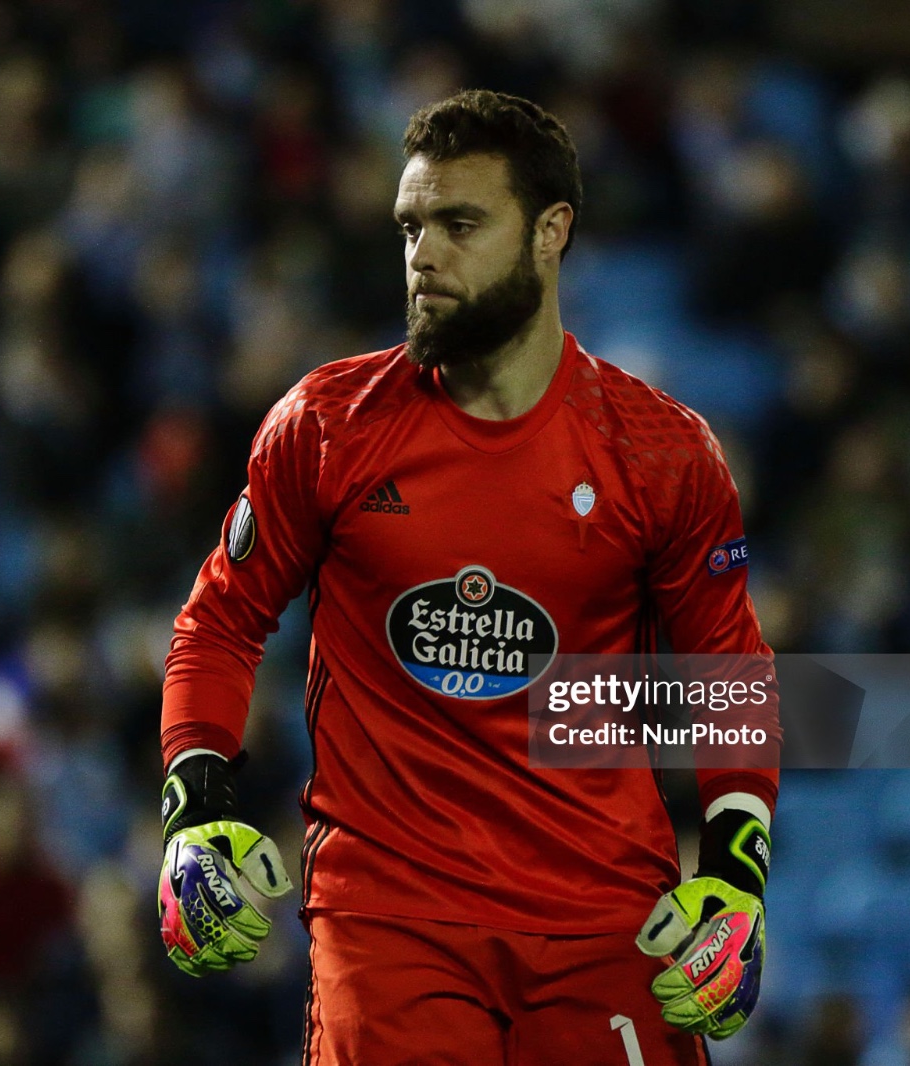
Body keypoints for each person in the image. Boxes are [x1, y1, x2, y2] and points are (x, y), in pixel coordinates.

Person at [156, 89, 781, 1065]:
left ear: (549, 232)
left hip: (601, 916)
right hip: (389, 916)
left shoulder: (661, 455)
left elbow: (727, 672)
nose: (423, 256)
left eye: (458, 224)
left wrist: (736, 872)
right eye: (410, 227)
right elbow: (221, 620)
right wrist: (196, 805)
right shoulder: (327, 427)